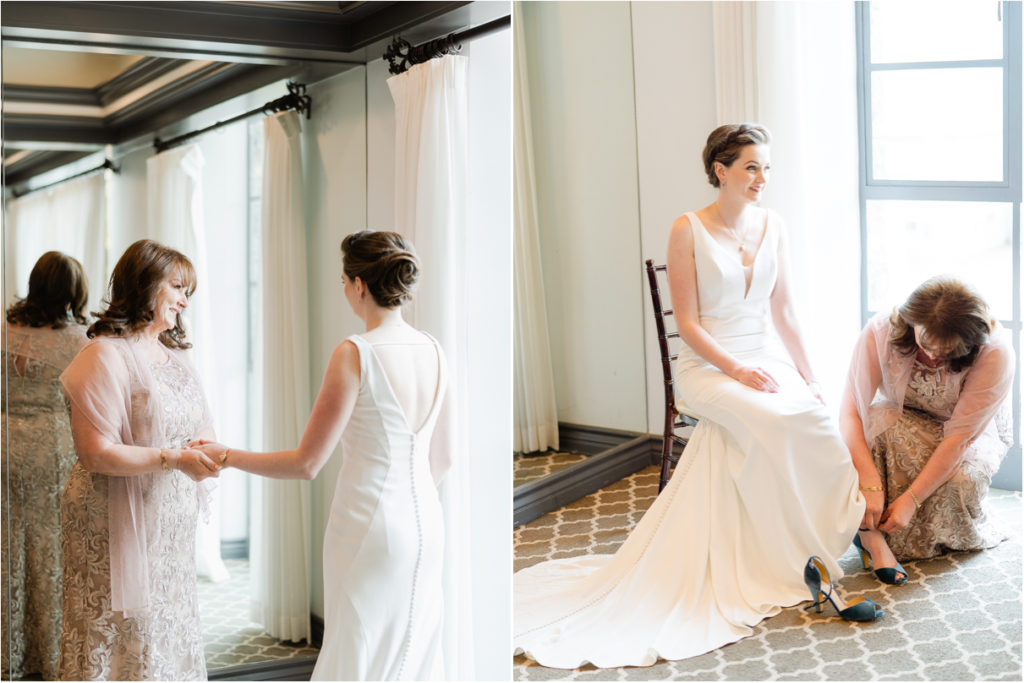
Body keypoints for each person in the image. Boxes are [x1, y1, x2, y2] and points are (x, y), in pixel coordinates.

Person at [513, 123, 877, 670]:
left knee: (816, 422)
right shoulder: (687, 229)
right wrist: (738, 371)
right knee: (773, 423)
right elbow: (687, 324)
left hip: (767, 358)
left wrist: (812, 377)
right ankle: (786, 558)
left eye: (767, 168)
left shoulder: (774, 225)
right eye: (751, 167)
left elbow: (785, 314)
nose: (762, 178)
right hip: (709, 366)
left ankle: (813, 543)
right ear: (720, 170)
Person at [193, 230, 450, 681]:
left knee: (356, 653)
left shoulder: (355, 353)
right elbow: (443, 459)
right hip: (426, 524)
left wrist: (226, 455)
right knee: (414, 653)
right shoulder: (434, 349)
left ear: (359, 286)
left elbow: (306, 463)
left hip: (366, 527)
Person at [57, 239, 221, 681]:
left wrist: (205, 447)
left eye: (189, 290)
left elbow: (197, 423)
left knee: (163, 623)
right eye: (177, 287)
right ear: (146, 285)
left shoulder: (177, 357)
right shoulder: (104, 355)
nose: (185, 301)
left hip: (168, 518)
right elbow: (95, 452)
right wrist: (173, 458)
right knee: (115, 627)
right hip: (110, 516)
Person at [841, 276, 1014, 572]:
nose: (934, 357)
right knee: (876, 424)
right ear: (911, 324)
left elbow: (958, 438)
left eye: (948, 352)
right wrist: (869, 480)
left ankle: (894, 525)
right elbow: (850, 411)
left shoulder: (994, 353)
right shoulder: (881, 332)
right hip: (901, 416)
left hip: (964, 433)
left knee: (961, 483)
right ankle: (871, 536)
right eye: (927, 344)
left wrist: (911, 500)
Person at [1, 251, 90, 680]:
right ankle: (48, 653)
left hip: (5, 447)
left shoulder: (3, 330)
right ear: (73, 291)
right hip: (52, 454)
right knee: (50, 551)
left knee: (9, 547)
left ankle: (9, 650)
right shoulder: (79, 340)